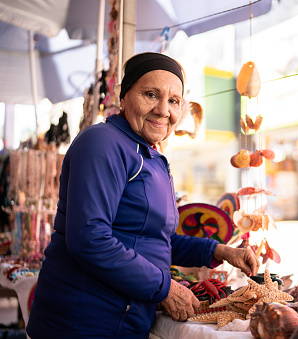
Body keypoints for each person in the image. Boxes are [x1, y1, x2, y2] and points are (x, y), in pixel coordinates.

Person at [26, 52, 259, 339]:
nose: (163, 110)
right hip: (83, 323)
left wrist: (218, 251)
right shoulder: (102, 143)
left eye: (174, 100)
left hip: (124, 322)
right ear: (123, 97)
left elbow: (154, 239)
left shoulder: (150, 153)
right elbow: (89, 238)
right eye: (151, 94)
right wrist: (165, 289)